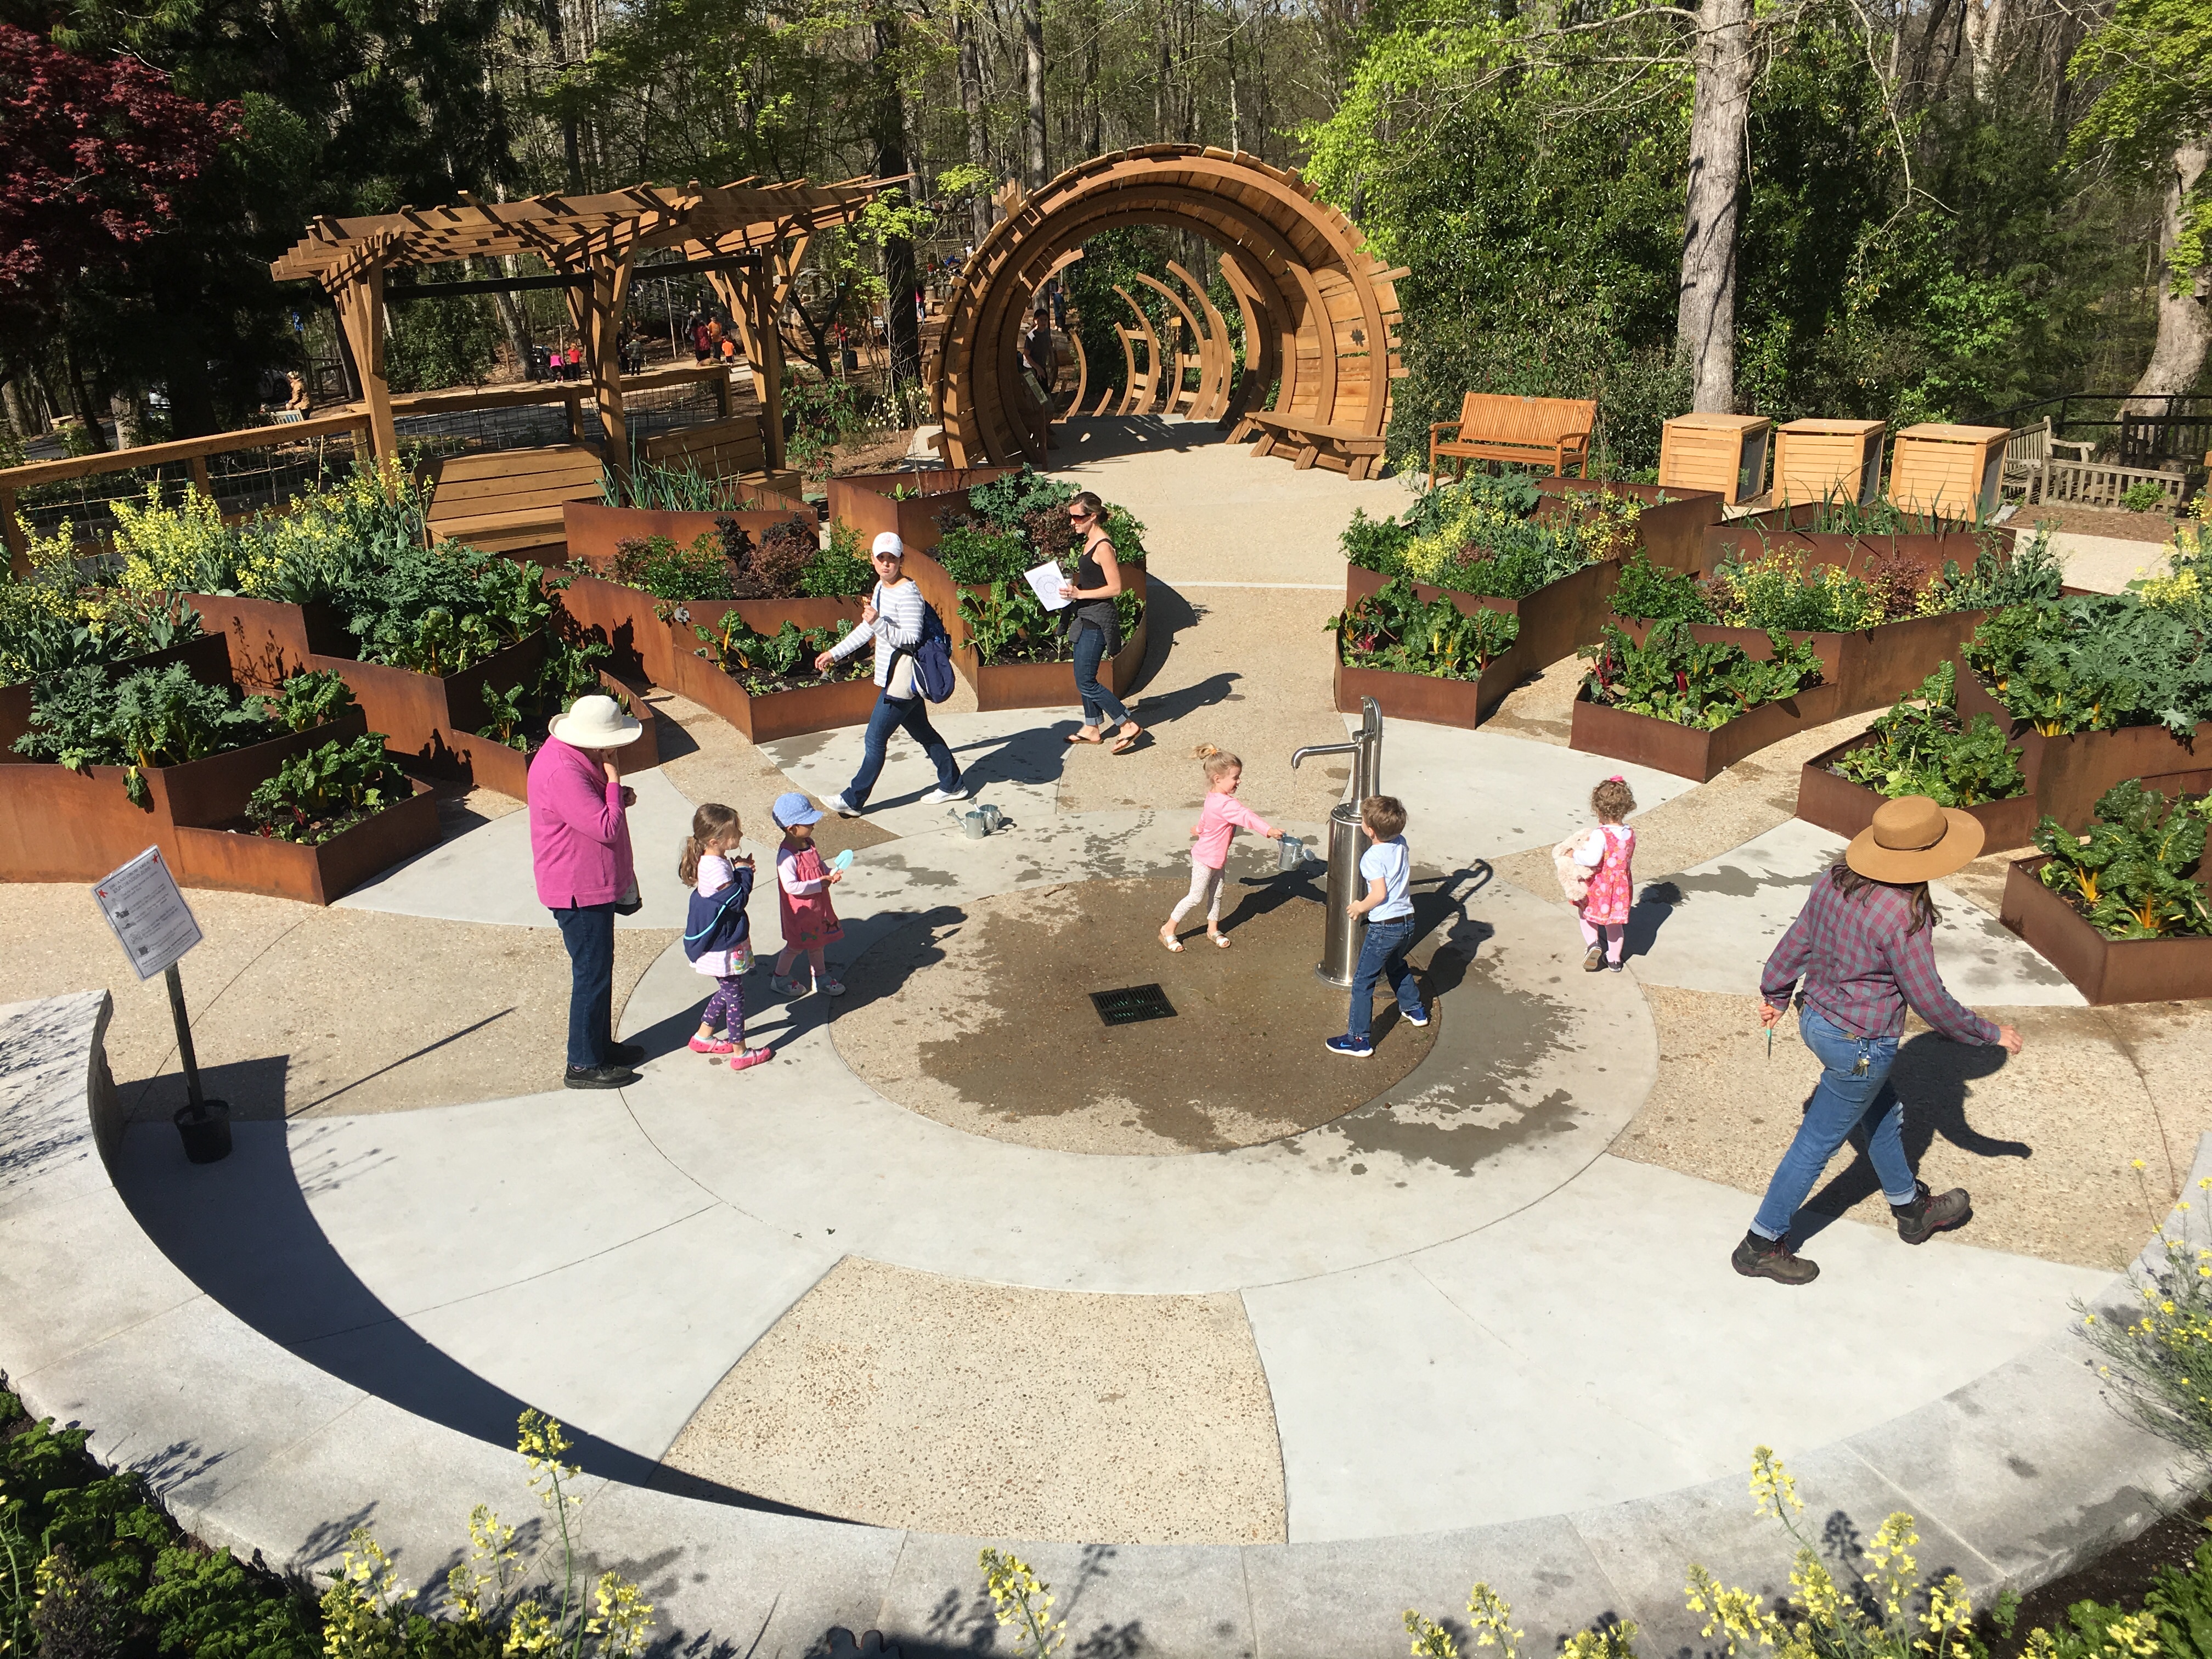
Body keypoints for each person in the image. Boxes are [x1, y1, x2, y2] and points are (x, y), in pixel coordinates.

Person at [1737, 794, 2024, 1286]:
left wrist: (1777, 993)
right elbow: (1929, 999)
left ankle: (1912, 1209)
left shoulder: (1833, 880)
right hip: (1860, 1046)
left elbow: (1797, 940)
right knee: (1814, 1146)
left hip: (1817, 1023)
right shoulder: (1902, 916)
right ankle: (1761, 1244)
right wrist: (1989, 1034)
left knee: (1884, 1112)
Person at [528, 695, 646, 1089]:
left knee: (598, 969)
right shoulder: (563, 770)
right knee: (591, 973)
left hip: (589, 883)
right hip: (578, 889)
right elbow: (605, 828)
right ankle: (582, 1064)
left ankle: (597, 1047)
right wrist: (613, 783)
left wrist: (615, 793)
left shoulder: (575, 759)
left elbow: (591, 811)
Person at [814, 532, 968, 816]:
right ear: (873, 560)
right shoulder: (881, 587)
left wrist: (878, 622)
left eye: (892, 559)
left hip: (903, 680)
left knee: (875, 739)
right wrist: (835, 653)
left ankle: (853, 800)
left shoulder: (908, 593)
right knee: (924, 732)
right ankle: (953, 784)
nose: (886, 564)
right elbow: (868, 628)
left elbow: (910, 638)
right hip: (893, 675)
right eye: (881, 558)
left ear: (901, 560)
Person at [1328, 794, 1429, 1057]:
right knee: (1396, 964)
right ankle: (1415, 1009)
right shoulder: (1401, 843)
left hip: (1385, 926)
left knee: (1363, 982)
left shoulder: (1371, 857)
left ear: (1369, 830)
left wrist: (1360, 906)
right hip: (1408, 921)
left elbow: (1380, 894)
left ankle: (1359, 1039)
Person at [1161, 744, 1282, 951]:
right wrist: (1268, 830)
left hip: (1216, 858)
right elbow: (1247, 817)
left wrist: (1199, 829)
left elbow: (1206, 818)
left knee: (1216, 894)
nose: (1239, 781)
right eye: (1235, 777)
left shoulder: (1214, 798)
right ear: (1218, 779)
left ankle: (1213, 929)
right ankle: (1168, 929)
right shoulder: (1227, 805)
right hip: (1205, 859)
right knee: (1196, 896)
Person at [681, 803, 771, 1070]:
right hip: (724, 944)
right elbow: (736, 900)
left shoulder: (712, 861)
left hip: (724, 940)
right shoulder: (715, 868)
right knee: (736, 997)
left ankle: (703, 1036)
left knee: (728, 988)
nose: (740, 835)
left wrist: (740, 871)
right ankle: (740, 1051)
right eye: (735, 833)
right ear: (715, 841)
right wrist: (744, 872)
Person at [1060, 490, 1143, 754]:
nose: (1073, 522)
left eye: (1077, 517)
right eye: (1071, 517)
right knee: (1082, 674)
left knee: (1086, 680)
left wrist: (1080, 593)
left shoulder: (1103, 547)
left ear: (1093, 516)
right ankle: (1092, 727)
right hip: (1086, 615)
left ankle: (1127, 723)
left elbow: (1116, 588)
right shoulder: (1088, 540)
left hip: (1097, 619)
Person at [1554, 775, 1636, 973]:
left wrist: (1574, 854)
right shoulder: (1630, 832)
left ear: (1599, 810)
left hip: (1600, 886)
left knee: (1587, 914)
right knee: (1614, 923)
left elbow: (1591, 860)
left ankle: (1594, 945)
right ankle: (1615, 960)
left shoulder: (1601, 834)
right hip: (1621, 887)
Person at [769, 793, 845, 997]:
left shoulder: (809, 843)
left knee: (818, 942)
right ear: (792, 829)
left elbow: (818, 865)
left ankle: (820, 977)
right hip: (800, 911)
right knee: (795, 946)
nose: (813, 825)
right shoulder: (787, 855)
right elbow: (791, 886)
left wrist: (829, 872)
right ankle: (780, 977)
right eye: (808, 822)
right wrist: (818, 884)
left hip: (817, 906)